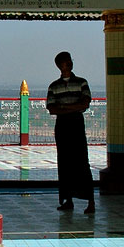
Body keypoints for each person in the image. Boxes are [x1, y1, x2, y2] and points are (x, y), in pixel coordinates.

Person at [46, 51, 96, 213]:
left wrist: (64, 108)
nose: (69, 64)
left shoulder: (82, 82)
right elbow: (52, 109)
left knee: (82, 161)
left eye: (70, 61)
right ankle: (67, 200)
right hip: (63, 127)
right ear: (59, 66)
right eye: (66, 62)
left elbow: (85, 104)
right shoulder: (54, 86)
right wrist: (73, 108)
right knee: (64, 163)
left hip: (76, 125)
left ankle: (90, 201)